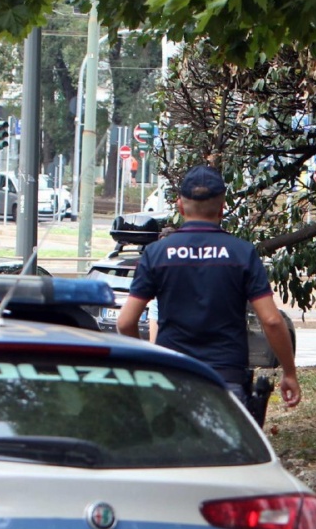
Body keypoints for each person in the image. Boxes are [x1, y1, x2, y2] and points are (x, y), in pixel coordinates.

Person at [115, 164, 302, 412]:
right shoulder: (241, 253)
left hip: (173, 377)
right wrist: (289, 373)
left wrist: (147, 366)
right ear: (222, 207)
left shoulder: (157, 254)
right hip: (226, 380)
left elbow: (126, 322)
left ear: (180, 205)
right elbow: (272, 320)